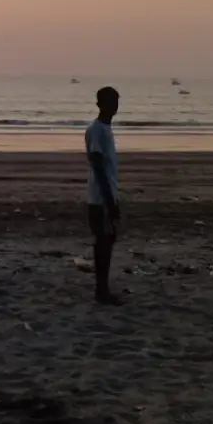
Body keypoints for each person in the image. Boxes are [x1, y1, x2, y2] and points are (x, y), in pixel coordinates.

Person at [85, 86, 122, 305]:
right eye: (110, 101)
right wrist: (108, 199)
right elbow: (97, 166)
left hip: (108, 195)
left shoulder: (106, 129)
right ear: (100, 104)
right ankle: (101, 291)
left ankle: (103, 288)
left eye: (116, 101)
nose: (114, 106)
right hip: (99, 198)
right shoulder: (96, 130)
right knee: (103, 242)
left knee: (108, 240)